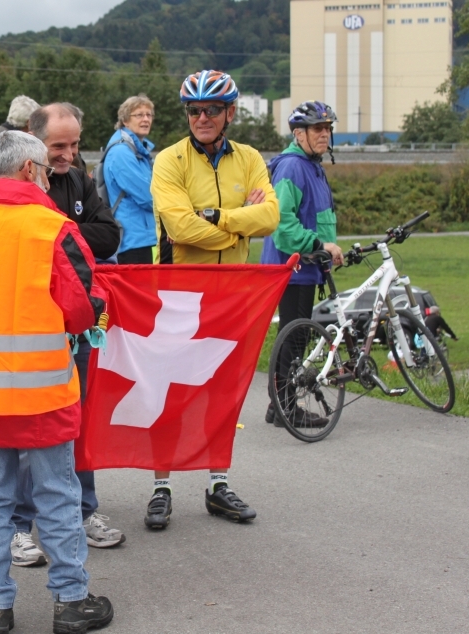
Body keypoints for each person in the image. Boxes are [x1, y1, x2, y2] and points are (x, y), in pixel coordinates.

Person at [0, 130, 114, 634]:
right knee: (57, 495)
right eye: (43, 167)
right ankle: (70, 601)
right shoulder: (52, 228)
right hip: (43, 394)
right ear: (27, 171)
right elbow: (83, 308)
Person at [147, 69, 279, 528]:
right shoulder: (169, 160)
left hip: (232, 294)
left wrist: (216, 216)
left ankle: (218, 484)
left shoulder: (249, 158)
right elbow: (180, 227)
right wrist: (238, 224)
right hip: (179, 293)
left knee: (222, 393)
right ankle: (161, 487)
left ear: (230, 114)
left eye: (211, 110)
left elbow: (271, 217)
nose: (202, 117)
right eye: (194, 110)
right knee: (172, 393)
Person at [3, 102, 123, 567]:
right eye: (59, 146)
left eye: (74, 144)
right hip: (29, 327)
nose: (69, 154)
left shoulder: (78, 177)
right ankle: (18, 524)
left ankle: (82, 509)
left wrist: (61, 237)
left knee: (78, 419)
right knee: (26, 429)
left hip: (76, 325)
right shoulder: (17, 183)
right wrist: (68, 238)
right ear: (34, 143)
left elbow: (109, 234)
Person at [261, 101, 344, 429]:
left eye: (327, 129)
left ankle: (278, 405)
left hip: (306, 266)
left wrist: (327, 250)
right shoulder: (293, 167)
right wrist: (320, 245)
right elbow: (283, 226)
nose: (324, 134)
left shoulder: (312, 165)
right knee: (293, 336)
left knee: (295, 335)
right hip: (292, 266)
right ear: (299, 133)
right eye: (317, 129)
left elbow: (317, 216)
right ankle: (285, 408)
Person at [103, 95, 156, 264]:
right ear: (125, 120)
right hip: (132, 239)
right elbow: (148, 197)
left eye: (149, 115)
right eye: (139, 115)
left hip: (141, 236)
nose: (146, 119)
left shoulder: (136, 149)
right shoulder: (122, 153)